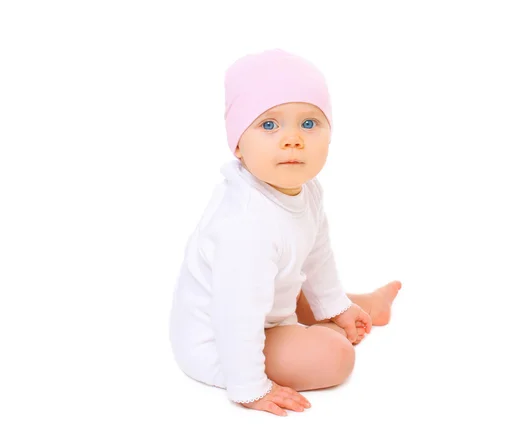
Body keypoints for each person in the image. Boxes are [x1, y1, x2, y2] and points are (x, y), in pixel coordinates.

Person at [169, 48, 402, 417]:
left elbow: (317, 255)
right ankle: (327, 328)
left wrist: (334, 306)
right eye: (269, 125)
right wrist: (250, 388)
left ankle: (352, 305)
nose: (293, 139)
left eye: (309, 124)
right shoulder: (246, 226)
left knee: (306, 288)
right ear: (238, 146)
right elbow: (236, 314)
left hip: (259, 304)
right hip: (221, 341)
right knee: (335, 356)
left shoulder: (307, 191)